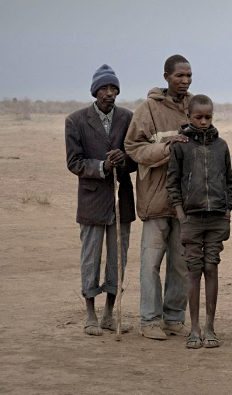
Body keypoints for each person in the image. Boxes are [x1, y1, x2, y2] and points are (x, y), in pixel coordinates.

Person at [124, 54, 193, 340]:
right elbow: (133, 147)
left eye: (189, 75)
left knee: (180, 262)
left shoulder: (195, 106)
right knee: (151, 264)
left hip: (186, 200)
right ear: (166, 77)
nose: (185, 81)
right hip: (155, 198)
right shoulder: (148, 108)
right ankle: (149, 320)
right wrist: (167, 147)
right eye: (180, 75)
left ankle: (174, 318)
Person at [65, 64, 136, 336]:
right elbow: (74, 162)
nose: (109, 93)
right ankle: (90, 314)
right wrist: (103, 166)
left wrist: (124, 160)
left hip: (121, 199)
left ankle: (109, 313)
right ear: (94, 91)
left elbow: (135, 157)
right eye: (104, 88)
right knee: (91, 259)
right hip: (92, 201)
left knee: (118, 259)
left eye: (113, 88)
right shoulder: (76, 120)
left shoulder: (127, 118)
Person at [166, 94, 232, 349]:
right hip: (192, 219)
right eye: (198, 117)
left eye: (208, 117)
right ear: (189, 117)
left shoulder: (222, 146)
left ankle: (210, 327)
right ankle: (194, 329)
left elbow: (229, 181)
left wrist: (227, 211)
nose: (204, 122)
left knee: (211, 268)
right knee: (193, 270)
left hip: (217, 218)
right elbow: (172, 182)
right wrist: (181, 214)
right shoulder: (181, 146)